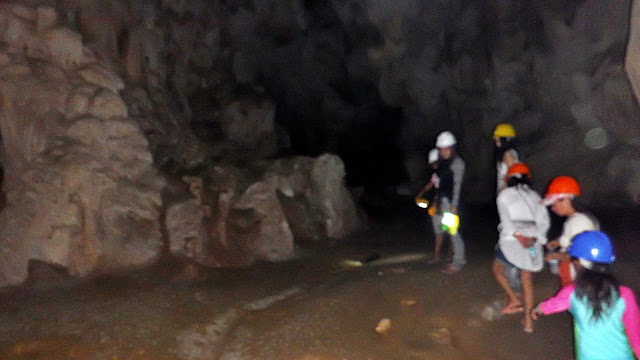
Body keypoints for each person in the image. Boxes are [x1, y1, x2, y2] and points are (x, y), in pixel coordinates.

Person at [532, 231, 640, 360]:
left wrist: (537, 310)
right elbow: (636, 336)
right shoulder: (625, 295)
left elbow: (549, 307)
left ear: (580, 263)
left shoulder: (571, 292)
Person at [493, 163, 550, 333]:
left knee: (498, 270)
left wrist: (519, 236)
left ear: (509, 178)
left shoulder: (504, 195)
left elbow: (506, 220)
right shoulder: (535, 196)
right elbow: (543, 221)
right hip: (532, 242)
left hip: (511, 240)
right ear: (528, 178)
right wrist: (534, 237)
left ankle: (513, 298)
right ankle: (528, 320)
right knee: (526, 277)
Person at [541, 176, 599, 286]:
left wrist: (554, 255)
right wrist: (559, 241)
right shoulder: (578, 218)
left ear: (566, 200)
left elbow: (577, 257)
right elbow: (574, 239)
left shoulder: (578, 221)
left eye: (554, 204)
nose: (552, 208)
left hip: (578, 275)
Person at [431, 131, 466, 275]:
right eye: (442, 149)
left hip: (453, 202)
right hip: (444, 201)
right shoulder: (443, 164)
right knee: (450, 231)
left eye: (447, 148)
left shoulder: (457, 164)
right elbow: (441, 186)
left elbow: (457, 185)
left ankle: (458, 261)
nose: (444, 151)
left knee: (454, 232)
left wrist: (454, 205)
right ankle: (458, 258)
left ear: (452, 148)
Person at [416, 148, 452, 264]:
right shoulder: (436, 173)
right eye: (433, 164)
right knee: (438, 230)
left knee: (450, 229)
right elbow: (430, 185)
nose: (434, 165)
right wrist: (419, 195)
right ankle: (437, 256)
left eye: (435, 163)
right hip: (438, 202)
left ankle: (450, 255)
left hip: (447, 203)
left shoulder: (448, 172)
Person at [493, 123, 518, 194]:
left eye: (498, 140)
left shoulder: (509, 154)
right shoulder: (505, 153)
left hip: (508, 192)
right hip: (504, 192)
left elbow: (513, 176)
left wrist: (504, 190)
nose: (496, 143)